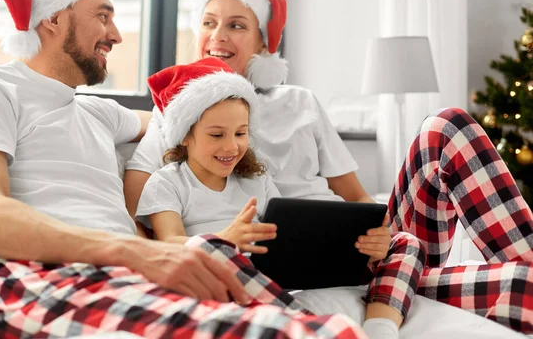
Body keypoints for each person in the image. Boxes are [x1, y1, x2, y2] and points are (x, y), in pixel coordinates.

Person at [0, 0, 379, 338]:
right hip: (34, 278)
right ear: (53, 18)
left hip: (123, 278)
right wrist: (143, 251)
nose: (117, 34)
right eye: (102, 16)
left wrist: (231, 119)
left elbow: (179, 119)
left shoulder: (96, 112)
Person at [123, 0, 533, 333]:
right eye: (208, 24)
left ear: (264, 40)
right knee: (522, 287)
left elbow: (356, 197)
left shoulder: (300, 101)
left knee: (446, 125)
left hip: (354, 251)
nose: (218, 35)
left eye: (236, 25)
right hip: (267, 260)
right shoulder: (178, 113)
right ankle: (410, 292)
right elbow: (146, 211)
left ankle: (503, 261)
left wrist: (380, 236)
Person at [136, 56, 428, 339]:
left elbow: (285, 234)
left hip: (273, 275)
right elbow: (168, 243)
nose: (231, 146)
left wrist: (367, 248)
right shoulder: (167, 182)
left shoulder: (256, 179)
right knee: (213, 248)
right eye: (216, 135)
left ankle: (380, 329)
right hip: (217, 276)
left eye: (240, 133)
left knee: (404, 241)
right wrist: (227, 238)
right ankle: (310, 328)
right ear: (185, 135)